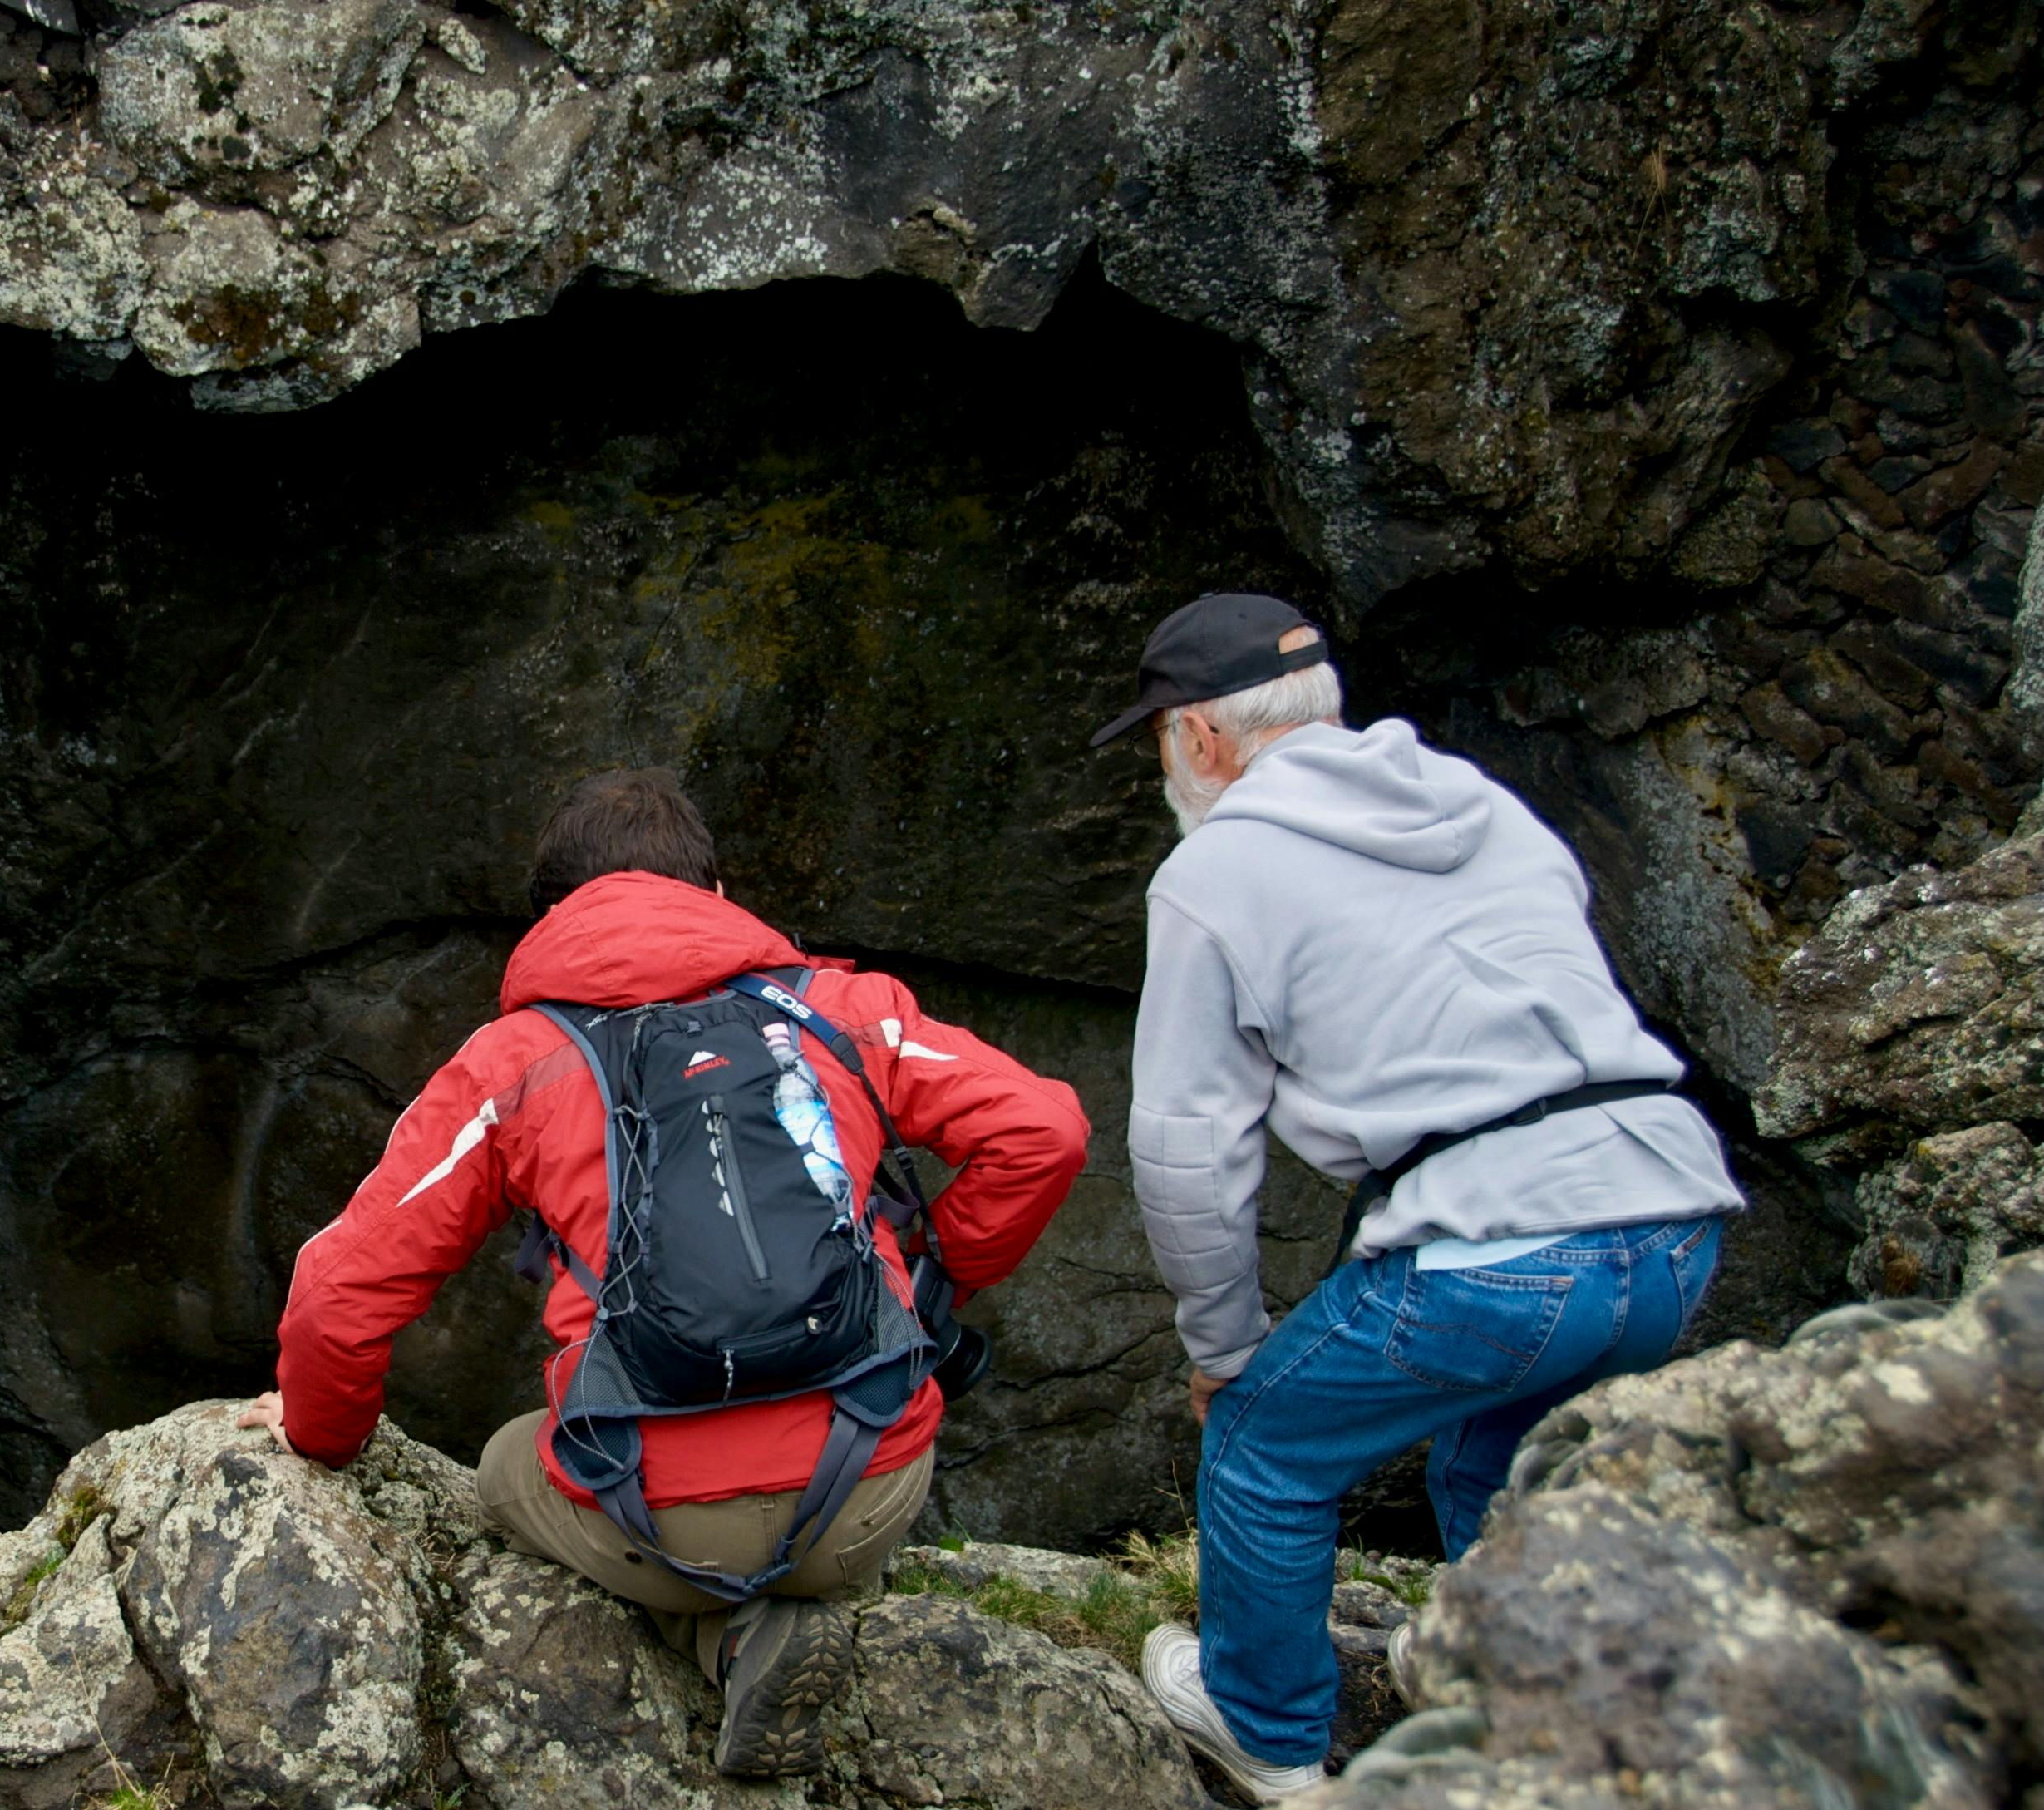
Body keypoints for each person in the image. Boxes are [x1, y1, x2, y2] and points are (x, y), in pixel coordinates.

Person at [239, 769, 1090, 1778]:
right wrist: (940, 1270)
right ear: (715, 891)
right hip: (865, 1488)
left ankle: (713, 1629)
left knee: (506, 1464)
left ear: (552, 914)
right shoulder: (842, 1010)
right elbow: (1046, 1132)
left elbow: (337, 1295)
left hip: (655, 1522)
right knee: (836, 1451)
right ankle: (779, 1609)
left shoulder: (512, 1062)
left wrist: (318, 1439)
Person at [1091, 592, 1743, 1801]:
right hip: (1670, 1213)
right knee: (1502, 1456)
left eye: (1160, 743)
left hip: (1498, 1254)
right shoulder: (1478, 801)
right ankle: (1524, 1701)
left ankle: (1265, 1732)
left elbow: (1187, 1150)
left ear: (1199, 737)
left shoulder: (1212, 870)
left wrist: (1222, 1348)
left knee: (1262, 1445)